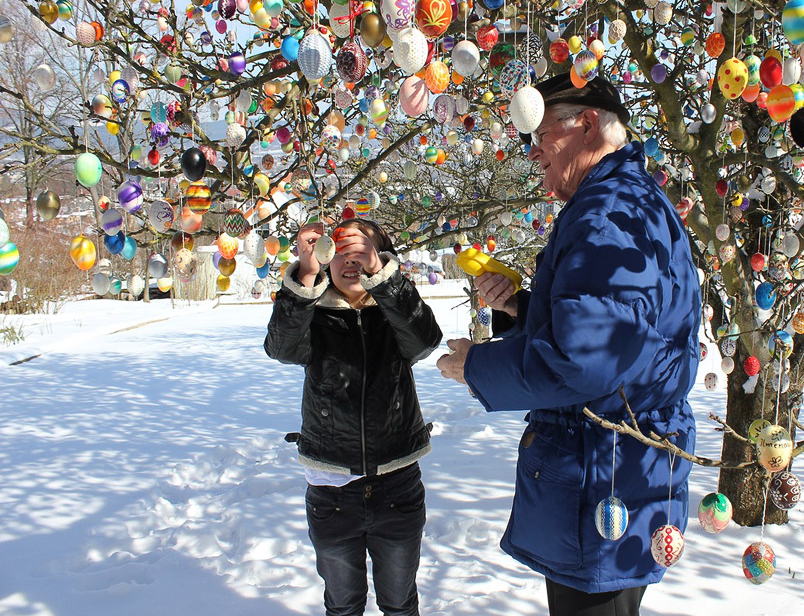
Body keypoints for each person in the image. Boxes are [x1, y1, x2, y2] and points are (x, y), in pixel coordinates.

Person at [436, 74, 701, 615]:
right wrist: (522, 309)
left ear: (584, 125)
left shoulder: (609, 213)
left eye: (541, 134)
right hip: (618, 468)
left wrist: (478, 366)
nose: (534, 152)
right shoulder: (621, 202)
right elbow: (620, 337)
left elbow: (589, 358)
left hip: (604, 477)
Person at [265, 217, 442, 616]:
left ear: (381, 259)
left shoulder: (394, 313)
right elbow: (281, 348)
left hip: (397, 487)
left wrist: (383, 278)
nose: (351, 262)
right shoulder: (313, 315)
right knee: (343, 606)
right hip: (332, 494)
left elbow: (425, 340)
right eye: (340, 253)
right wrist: (306, 276)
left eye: (362, 252)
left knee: (400, 604)